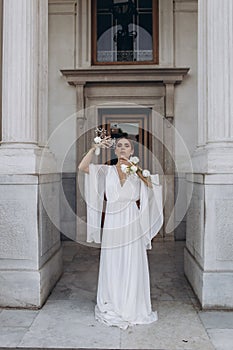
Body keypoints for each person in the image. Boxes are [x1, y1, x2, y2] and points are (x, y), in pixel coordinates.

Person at [78, 136, 163, 330]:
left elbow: (154, 189)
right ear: (114, 151)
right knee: (113, 260)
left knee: (132, 259)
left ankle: (132, 303)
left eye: (126, 146)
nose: (123, 148)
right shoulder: (105, 171)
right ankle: (113, 301)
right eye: (119, 146)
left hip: (132, 220)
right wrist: (94, 148)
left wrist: (140, 174)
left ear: (132, 151)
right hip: (113, 220)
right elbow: (83, 167)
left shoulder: (138, 171)